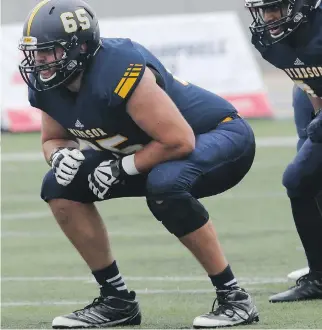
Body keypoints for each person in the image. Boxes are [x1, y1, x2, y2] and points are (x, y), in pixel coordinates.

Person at [19, 0, 258, 328]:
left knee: (165, 185)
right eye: (35, 52)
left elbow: (179, 141)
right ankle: (117, 301)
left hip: (220, 137)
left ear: (82, 47)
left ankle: (234, 297)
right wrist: (60, 156)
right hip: (152, 149)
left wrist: (122, 167)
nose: (39, 61)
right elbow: (53, 139)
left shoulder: (118, 68)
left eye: (50, 51)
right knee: (58, 185)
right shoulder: (48, 84)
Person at [245, 0, 322, 303]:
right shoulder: (270, 40)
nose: (269, 17)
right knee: (308, 173)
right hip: (312, 93)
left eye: (276, 7)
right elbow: (309, 80)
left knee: (299, 177)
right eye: (264, 9)